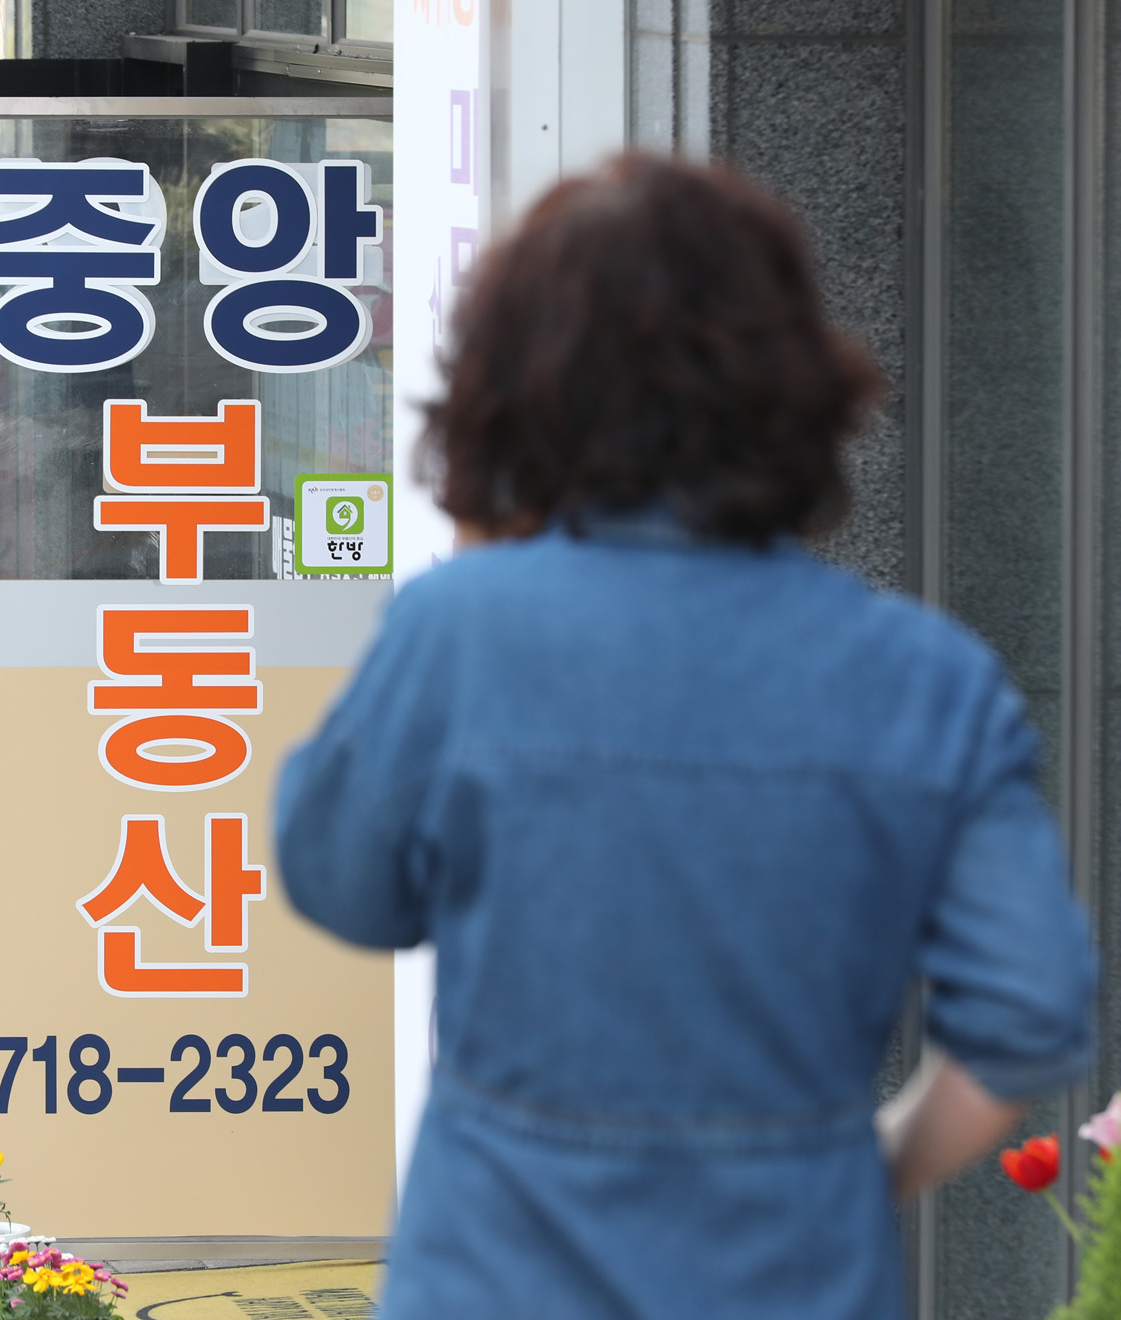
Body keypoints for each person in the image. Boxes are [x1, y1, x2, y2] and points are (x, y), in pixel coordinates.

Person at [275, 154, 1096, 1320]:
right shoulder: (928, 681)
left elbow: (343, 886)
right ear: (795, 387)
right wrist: (865, 1170)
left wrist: (474, 549)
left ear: (516, 387)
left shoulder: (463, 630)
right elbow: (1028, 1015)